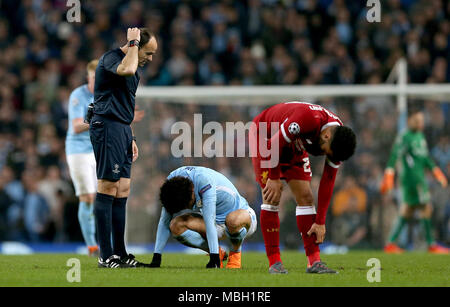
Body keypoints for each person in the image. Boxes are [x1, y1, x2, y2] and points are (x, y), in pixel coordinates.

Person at [250, 101, 356, 274]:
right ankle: (275, 261)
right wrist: (275, 178)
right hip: (266, 135)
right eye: (326, 151)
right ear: (326, 135)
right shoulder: (306, 119)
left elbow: (328, 180)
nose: (324, 155)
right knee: (272, 196)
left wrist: (320, 222)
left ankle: (314, 261)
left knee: (306, 197)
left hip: (292, 142)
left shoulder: (339, 139)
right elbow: (274, 144)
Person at [89, 27, 158, 268]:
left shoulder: (134, 65)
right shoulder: (112, 58)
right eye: (147, 53)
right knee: (108, 186)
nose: (149, 59)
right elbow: (126, 68)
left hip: (122, 129)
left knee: (122, 189)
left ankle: (120, 253)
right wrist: (132, 43)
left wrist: (131, 136)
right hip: (107, 126)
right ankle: (105, 256)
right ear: (135, 46)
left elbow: (124, 102)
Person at [149, 166, 257, 269]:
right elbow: (164, 221)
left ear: (192, 193)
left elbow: (209, 221)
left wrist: (213, 260)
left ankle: (235, 254)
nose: (190, 207)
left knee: (232, 220)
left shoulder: (204, 181)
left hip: (243, 218)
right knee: (175, 225)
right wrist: (156, 258)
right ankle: (218, 253)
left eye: (189, 205)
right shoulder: (171, 184)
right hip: (215, 224)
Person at [380, 110, 448, 254]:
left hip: (419, 178)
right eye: (417, 120)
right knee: (425, 208)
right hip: (412, 180)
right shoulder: (405, 137)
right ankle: (431, 245)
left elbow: (424, 158)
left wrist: (436, 171)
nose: (420, 123)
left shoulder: (419, 136)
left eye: (421, 120)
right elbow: (395, 155)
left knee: (407, 210)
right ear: (409, 120)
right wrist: (389, 174)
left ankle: (391, 244)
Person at [65, 59, 99, 256]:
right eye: (94, 77)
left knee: (103, 196)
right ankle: (92, 246)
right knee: (87, 197)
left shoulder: (106, 95)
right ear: (88, 77)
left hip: (98, 150)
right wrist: (101, 118)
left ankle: (106, 241)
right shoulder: (78, 95)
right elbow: (77, 126)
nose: (97, 81)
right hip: (78, 150)